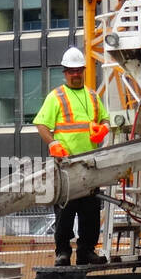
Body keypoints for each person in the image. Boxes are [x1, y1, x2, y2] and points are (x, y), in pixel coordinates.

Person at [33, 46, 111, 267]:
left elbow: (105, 120)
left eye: (78, 70)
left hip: (90, 164)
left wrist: (104, 128)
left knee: (90, 213)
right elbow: (41, 124)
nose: (75, 74)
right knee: (65, 213)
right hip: (66, 165)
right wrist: (54, 142)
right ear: (65, 72)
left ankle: (86, 252)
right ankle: (63, 253)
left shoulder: (93, 97)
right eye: (71, 71)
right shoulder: (56, 97)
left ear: (84, 71)